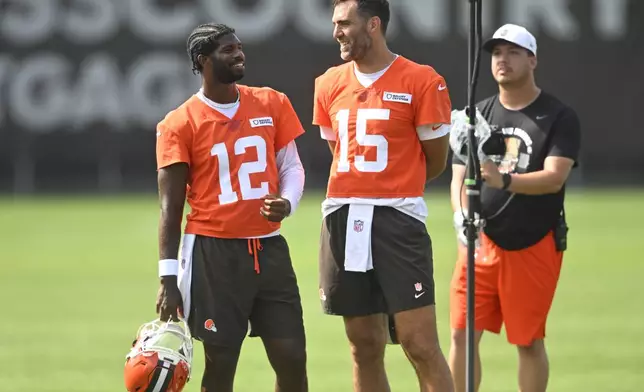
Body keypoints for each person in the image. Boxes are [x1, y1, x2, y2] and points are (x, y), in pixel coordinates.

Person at [154, 23, 308, 392]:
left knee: (293, 358)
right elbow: (170, 208)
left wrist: (287, 203)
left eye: (239, 47)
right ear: (202, 61)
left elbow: (292, 167)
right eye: (227, 50)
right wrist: (168, 279)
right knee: (221, 363)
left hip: (269, 249)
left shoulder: (272, 102)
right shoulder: (179, 123)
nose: (239, 54)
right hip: (213, 253)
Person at [312, 1, 455, 391]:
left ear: (373, 24)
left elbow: (435, 161)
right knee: (364, 344)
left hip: (397, 219)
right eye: (334, 24)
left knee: (420, 343)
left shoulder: (422, 80)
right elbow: (340, 153)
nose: (337, 32)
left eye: (345, 23)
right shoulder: (328, 83)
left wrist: (394, 184)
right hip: (343, 217)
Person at [448, 24, 582, 392]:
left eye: (512, 52)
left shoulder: (558, 116)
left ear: (533, 59)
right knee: (461, 334)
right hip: (479, 244)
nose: (502, 60)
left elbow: (555, 177)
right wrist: (461, 219)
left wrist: (503, 180)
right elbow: (459, 177)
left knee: (527, 341)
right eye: (496, 53)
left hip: (532, 242)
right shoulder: (477, 114)